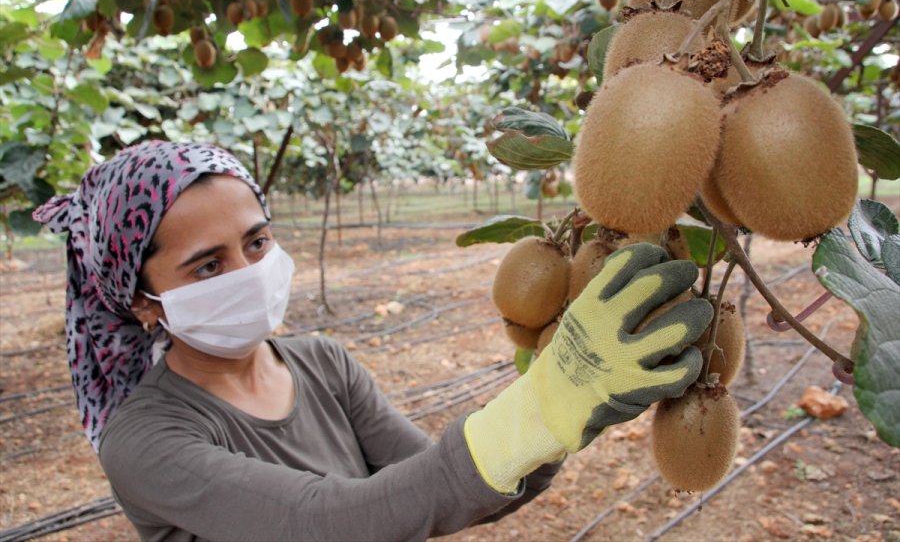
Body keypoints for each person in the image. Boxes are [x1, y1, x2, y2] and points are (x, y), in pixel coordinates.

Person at [34, 140, 712, 541]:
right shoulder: (143, 442)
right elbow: (329, 522)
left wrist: (560, 420)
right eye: (208, 265)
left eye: (258, 243)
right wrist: (539, 407)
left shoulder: (322, 362)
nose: (248, 273)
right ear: (140, 301)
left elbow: (439, 495)